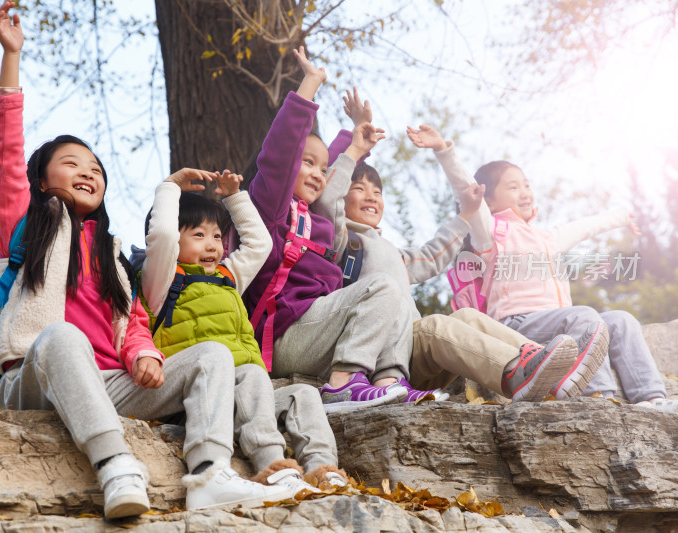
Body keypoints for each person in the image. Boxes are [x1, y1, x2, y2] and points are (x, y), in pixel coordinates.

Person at [0, 2, 292, 518]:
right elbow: (6, 158)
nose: (87, 172)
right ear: (43, 181)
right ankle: (114, 464)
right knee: (65, 336)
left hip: (107, 384)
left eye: (96, 168)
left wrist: (142, 354)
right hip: (35, 377)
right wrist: (11, 59)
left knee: (213, 355)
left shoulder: (109, 253)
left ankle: (209, 473)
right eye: (71, 164)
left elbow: (131, 323)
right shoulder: (27, 226)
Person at [316, 89, 607, 402]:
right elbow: (327, 196)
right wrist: (355, 148)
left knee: (468, 317)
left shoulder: (395, 255)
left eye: (377, 191)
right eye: (359, 189)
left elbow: (433, 255)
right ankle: (516, 372)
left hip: (410, 349)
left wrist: (467, 214)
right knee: (439, 326)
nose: (372, 195)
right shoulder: (340, 241)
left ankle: (544, 363)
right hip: (375, 352)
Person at [412, 123, 676, 411]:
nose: (525, 192)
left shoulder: (547, 238)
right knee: (585, 317)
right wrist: (443, 151)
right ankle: (598, 398)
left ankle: (652, 398)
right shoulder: (490, 232)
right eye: (513, 187)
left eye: (526, 185)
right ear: (488, 199)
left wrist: (622, 216)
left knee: (621, 320)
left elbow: (584, 227)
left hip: (559, 323)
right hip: (517, 324)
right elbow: (467, 189)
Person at [139, 171, 347, 491]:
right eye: (198, 235)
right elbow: (163, 237)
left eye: (216, 237)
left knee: (301, 395)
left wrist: (236, 197)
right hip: (202, 397)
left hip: (248, 398)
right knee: (251, 375)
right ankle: (273, 465)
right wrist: (168, 188)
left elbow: (259, 244)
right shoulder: (162, 282)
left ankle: (323, 469)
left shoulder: (227, 277)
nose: (212, 245)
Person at [243, 47, 418, 413]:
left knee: (395, 296)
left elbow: (332, 174)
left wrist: (355, 141)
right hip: (283, 335)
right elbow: (281, 152)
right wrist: (310, 84)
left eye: (322, 168)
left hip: (318, 327)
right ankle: (342, 384)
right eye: (306, 163)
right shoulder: (271, 210)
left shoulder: (318, 222)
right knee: (380, 287)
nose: (318, 173)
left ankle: (389, 380)